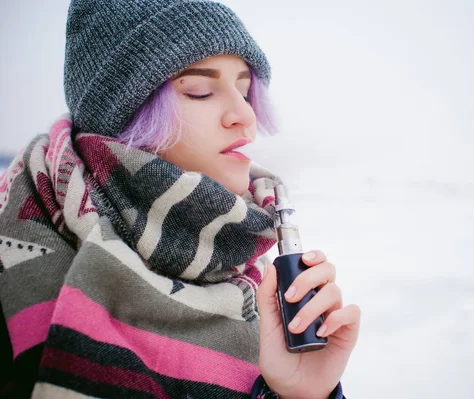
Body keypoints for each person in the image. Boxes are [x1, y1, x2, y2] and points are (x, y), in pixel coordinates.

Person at [0, 0, 361, 398]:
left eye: (245, 90)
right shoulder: (13, 266)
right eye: (201, 92)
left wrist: (298, 393)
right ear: (126, 119)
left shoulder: (249, 268)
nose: (245, 115)